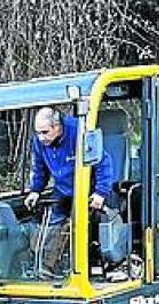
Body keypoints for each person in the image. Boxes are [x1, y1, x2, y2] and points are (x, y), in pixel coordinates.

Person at [23, 106, 116, 277]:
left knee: (81, 225)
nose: (40, 137)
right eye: (38, 133)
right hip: (63, 190)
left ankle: (88, 266)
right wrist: (35, 190)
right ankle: (44, 268)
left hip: (88, 189)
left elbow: (103, 163)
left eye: (44, 132)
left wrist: (100, 193)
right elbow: (39, 168)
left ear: (57, 127)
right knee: (50, 226)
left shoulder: (80, 132)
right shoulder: (40, 142)